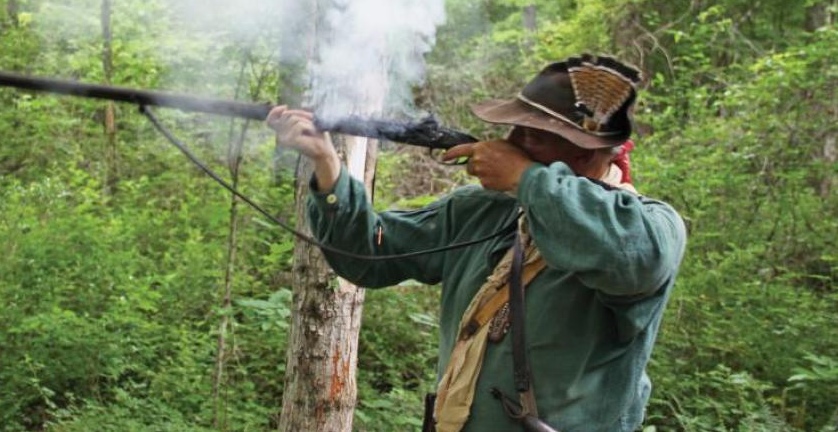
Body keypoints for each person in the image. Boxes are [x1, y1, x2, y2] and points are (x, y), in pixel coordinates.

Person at [266, 54, 686, 432]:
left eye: (532, 135)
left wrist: (527, 179)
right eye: (515, 131)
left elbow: (632, 259)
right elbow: (369, 255)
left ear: (584, 152)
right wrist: (326, 163)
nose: (510, 143)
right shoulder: (485, 209)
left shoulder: (648, 225)